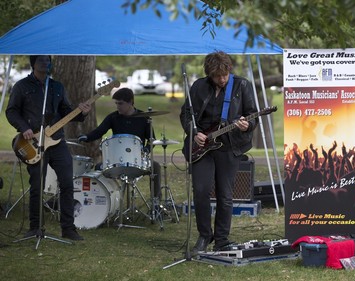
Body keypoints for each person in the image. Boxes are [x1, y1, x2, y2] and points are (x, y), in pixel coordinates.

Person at [180, 51, 258, 255]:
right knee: (200, 190)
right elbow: (186, 114)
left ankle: (221, 239)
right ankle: (205, 235)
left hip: (228, 147)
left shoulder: (242, 86)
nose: (222, 79)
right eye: (217, 76)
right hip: (202, 146)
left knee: (225, 195)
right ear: (209, 74)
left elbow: (252, 117)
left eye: (224, 75)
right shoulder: (198, 86)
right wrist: (194, 132)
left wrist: (245, 125)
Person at [6, 55, 91, 240]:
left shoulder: (57, 87)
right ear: (33, 64)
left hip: (57, 142)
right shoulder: (21, 86)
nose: (46, 63)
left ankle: (68, 228)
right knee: (37, 186)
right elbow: (11, 111)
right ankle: (35, 227)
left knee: (68, 183)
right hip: (34, 143)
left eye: (48, 60)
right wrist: (24, 128)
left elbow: (67, 113)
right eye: (42, 60)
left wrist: (81, 113)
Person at [78, 88, 161, 200]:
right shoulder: (113, 117)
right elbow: (99, 131)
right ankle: (104, 204)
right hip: (116, 159)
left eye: (120, 103)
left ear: (131, 102)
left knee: (155, 166)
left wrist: (146, 150)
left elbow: (152, 139)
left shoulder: (144, 118)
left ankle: (156, 203)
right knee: (98, 167)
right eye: (116, 103)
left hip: (137, 160)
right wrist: (87, 137)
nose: (118, 106)